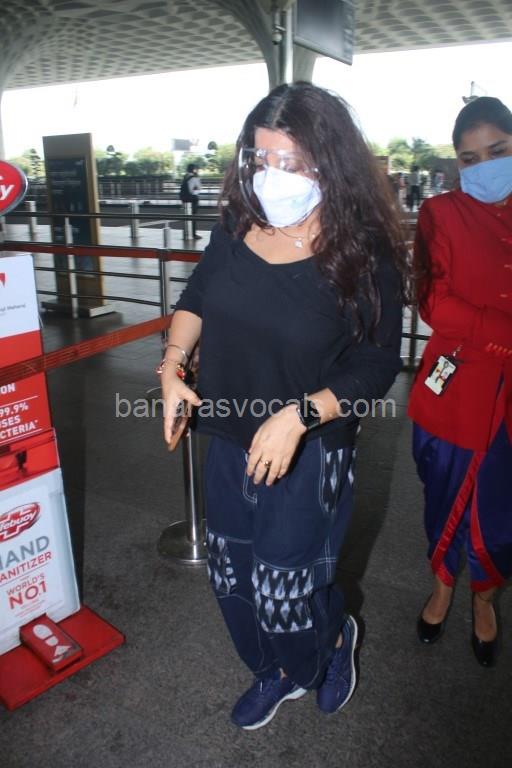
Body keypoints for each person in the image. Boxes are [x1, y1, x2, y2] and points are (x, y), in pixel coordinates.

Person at [160, 82, 408, 730]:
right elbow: (196, 300)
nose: (272, 176)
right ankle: (270, 669)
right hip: (229, 438)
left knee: (287, 589)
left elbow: (377, 363)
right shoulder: (236, 226)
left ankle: (328, 642)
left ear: (330, 162)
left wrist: (299, 416)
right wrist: (173, 367)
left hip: (309, 449)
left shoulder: (364, 253)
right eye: (260, 159)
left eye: (291, 162)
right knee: (232, 575)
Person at [408, 96, 512, 667]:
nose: (485, 166)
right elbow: (433, 302)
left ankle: (484, 597)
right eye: (471, 159)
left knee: (502, 508)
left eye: (499, 151)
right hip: (456, 387)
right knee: (443, 496)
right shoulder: (440, 213)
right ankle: (444, 584)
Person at [180, 162, 202, 239]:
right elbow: (196, 190)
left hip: (185, 200)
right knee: (193, 217)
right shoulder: (194, 178)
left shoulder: (185, 177)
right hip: (192, 200)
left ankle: (186, 233)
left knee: (187, 217)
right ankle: (193, 234)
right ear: (194, 169)